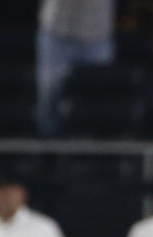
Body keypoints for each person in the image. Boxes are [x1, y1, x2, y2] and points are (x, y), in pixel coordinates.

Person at [36, 0, 116, 136]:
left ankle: (96, 149)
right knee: (49, 98)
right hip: (58, 33)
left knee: (100, 101)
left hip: (97, 36)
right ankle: (49, 149)